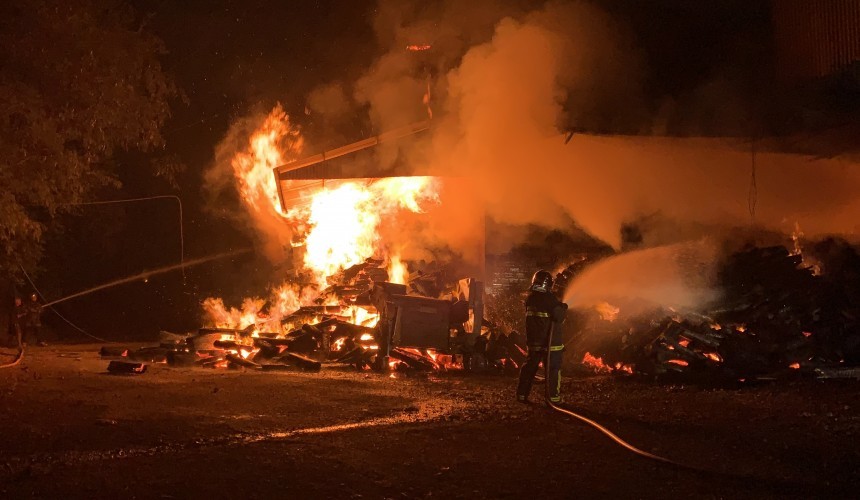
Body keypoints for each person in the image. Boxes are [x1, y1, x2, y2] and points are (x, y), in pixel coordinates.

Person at [516, 270, 568, 404]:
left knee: (529, 368)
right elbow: (559, 317)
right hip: (551, 343)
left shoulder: (530, 298)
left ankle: (522, 395)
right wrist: (563, 307)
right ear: (548, 284)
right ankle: (553, 398)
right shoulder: (549, 299)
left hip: (534, 342)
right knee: (553, 369)